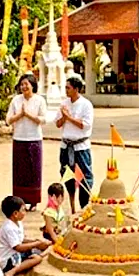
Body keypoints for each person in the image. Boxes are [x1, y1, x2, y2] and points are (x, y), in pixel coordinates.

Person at [6, 74, 47, 208]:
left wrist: (28, 114)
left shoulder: (39, 100)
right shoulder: (16, 100)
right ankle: (20, 200)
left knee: (33, 171)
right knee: (20, 172)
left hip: (34, 139)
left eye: (26, 84)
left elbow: (43, 120)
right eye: (22, 84)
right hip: (19, 138)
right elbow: (8, 119)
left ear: (33, 85)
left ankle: (33, 201)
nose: (24, 87)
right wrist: (20, 115)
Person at [57, 75, 95, 209]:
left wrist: (69, 117)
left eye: (68, 88)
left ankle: (84, 207)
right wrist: (63, 117)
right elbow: (58, 124)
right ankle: (72, 207)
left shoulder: (86, 105)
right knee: (67, 175)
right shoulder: (64, 103)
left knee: (85, 177)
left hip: (81, 146)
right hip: (66, 146)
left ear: (76, 89)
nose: (66, 90)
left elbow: (85, 125)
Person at [0, 195, 51, 276]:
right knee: (37, 258)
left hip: (15, 253)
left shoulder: (18, 223)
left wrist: (36, 241)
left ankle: (33, 256)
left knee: (39, 248)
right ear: (15, 214)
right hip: (7, 259)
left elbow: (21, 239)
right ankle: (12, 271)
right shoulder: (9, 228)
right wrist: (36, 243)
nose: (25, 212)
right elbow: (18, 247)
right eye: (23, 210)